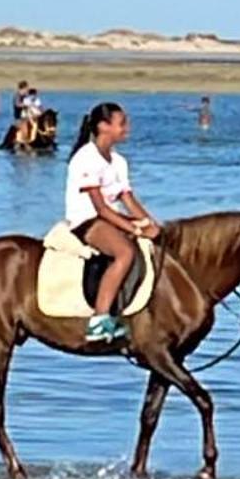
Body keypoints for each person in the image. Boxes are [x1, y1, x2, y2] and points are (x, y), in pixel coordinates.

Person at [65, 102, 160, 343]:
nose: (127, 128)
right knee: (124, 253)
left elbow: (127, 198)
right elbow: (101, 208)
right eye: (122, 123)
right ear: (103, 126)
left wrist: (149, 223)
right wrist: (133, 228)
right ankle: (99, 320)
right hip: (88, 220)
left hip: (110, 219)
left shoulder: (119, 162)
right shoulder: (86, 158)